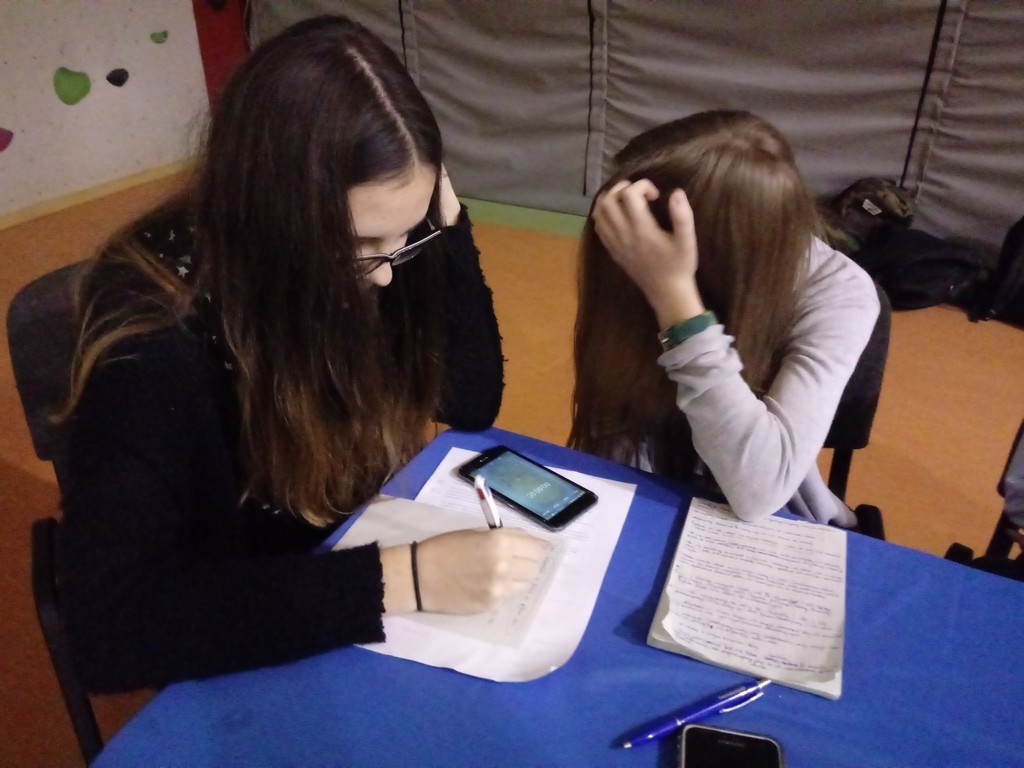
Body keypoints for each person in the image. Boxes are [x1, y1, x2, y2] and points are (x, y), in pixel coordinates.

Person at [57, 15, 547, 693]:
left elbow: (468, 397)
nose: (385, 276)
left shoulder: (384, 237)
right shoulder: (153, 339)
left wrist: (446, 228)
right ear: (274, 222)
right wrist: (404, 578)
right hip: (247, 621)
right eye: (360, 247)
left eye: (407, 236)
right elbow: (111, 629)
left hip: (334, 552)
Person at [569, 110, 880, 526]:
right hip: (642, 486)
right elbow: (610, 424)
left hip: (769, 519)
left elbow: (759, 491)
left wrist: (675, 298)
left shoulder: (837, 289)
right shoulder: (637, 246)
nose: (624, 228)